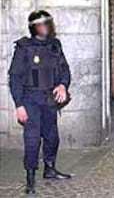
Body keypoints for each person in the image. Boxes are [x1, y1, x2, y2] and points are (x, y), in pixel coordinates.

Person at [8, 10, 72, 194]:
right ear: (33, 27)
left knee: (52, 137)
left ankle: (50, 169)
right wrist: (19, 105)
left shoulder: (55, 45)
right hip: (30, 99)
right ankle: (30, 177)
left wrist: (62, 85)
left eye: (47, 23)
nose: (44, 27)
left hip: (49, 99)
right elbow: (15, 77)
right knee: (32, 139)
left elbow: (65, 69)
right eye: (40, 24)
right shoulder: (23, 47)